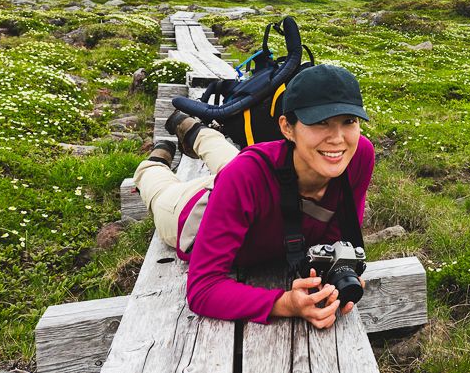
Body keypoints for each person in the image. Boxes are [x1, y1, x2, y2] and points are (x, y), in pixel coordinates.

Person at [130, 64, 375, 328]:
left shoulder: (357, 155)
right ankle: (156, 158)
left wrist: (334, 277)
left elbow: (336, 237)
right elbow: (203, 289)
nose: (338, 139)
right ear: (287, 128)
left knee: (239, 165)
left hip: (255, 188)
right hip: (193, 213)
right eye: (319, 122)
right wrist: (286, 304)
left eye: (349, 121)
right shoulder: (245, 176)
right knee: (159, 188)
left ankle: (197, 132)